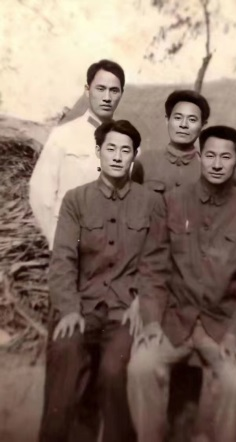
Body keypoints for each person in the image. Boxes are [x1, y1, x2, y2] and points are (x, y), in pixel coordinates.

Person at [127, 125, 236, 442]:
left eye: (225, 157)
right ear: (199, 156)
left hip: (222, 326)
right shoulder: (172, 202)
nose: (217, 164)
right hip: (175, 319)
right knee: (140, 367)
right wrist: (151, 321)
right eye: (210, 155)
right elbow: (153, 269)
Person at [38, 120, 161, 442]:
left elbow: (156, 262)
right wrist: (69, 309)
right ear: (98, 151)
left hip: (124, 312)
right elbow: (62, 260)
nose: (117, 157)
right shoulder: (75, 200)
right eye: (111, 148)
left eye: (125, 150)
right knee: (65, 351)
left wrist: (142, 301)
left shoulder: (151, 203)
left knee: (113, 371)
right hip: (83, 307)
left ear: (134, 155)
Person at [29, 59, 125, 249]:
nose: (107, 97)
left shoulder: (128, 143)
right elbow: (40, 193)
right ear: (87, 90)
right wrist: (56, 240)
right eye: (100, 89)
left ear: (121, 94)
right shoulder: (63, 136)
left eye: (114, 90)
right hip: (71, 247)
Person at [131, 89, 209, 192]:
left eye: (192, 120)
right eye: (178, 118)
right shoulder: (144, 161)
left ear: (203, 125)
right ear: (167, 120)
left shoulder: (208, 168)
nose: (183, 125)